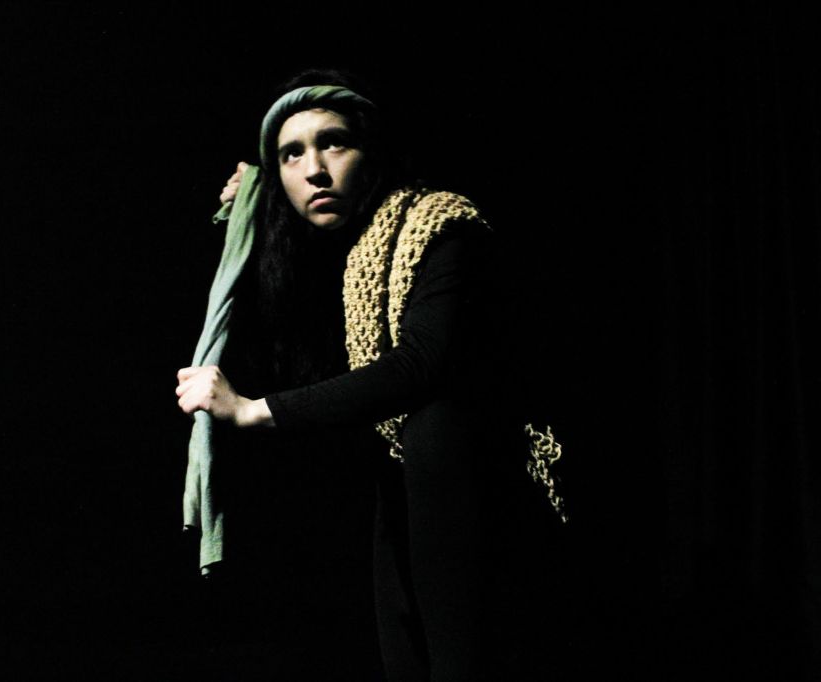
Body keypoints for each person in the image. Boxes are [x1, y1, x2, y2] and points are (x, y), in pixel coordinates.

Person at [178, 70, 548, 680]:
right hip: (402, 492)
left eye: (334, 143)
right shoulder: (338, 254)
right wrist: (246, 217)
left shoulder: (442, 222)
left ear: (370, 150)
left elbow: (420, 364)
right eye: (291, 154)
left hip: (487, 488)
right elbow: (288, 355)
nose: (315, 170)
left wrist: (253, 410)